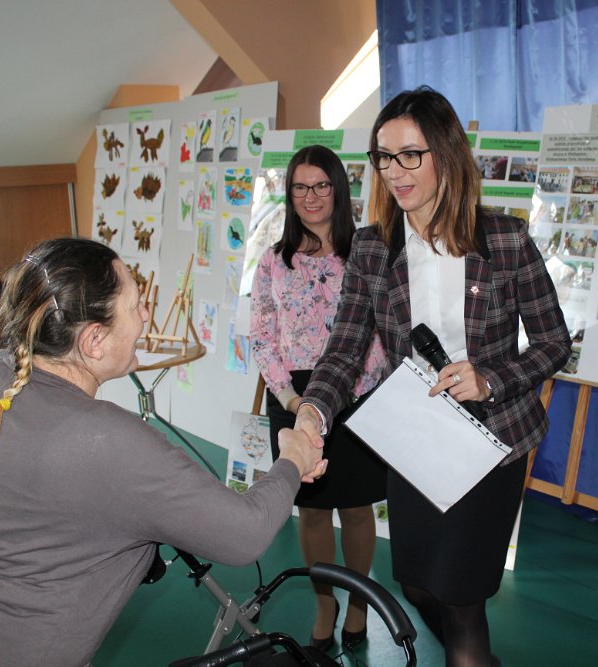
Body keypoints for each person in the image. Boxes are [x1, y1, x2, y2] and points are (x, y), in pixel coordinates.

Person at [0, 237, 325, 666]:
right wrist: (292, 458)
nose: (145, 317)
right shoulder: (110, 440)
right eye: (136, 306)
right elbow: (245, 534)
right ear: (94, 340)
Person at [283, 86, 571, 667]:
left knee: (462, 604)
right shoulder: (372, 248)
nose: (394, 171)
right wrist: (311, 413)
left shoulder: (506, 239)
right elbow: (344, 349)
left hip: (492, 443)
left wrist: (489, 378)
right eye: (384, 157)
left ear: (446, 153)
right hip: (414, 441)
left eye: (410, 154)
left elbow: (553, 344)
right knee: (416, 585)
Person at [250, 144, 387, 651]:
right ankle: (325, 604)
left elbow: (379, 331)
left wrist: (349, 392)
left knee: (355, 507)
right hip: (293, 396)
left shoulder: (366, 253)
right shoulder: (273, 260)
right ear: (289, 194)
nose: (310, 197)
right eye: (300, 187)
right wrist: (290, 399)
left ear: (338, 189)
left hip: (356, 394)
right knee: (310, 510)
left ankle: (359, 603)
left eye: (321, 185)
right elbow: (261, 335)